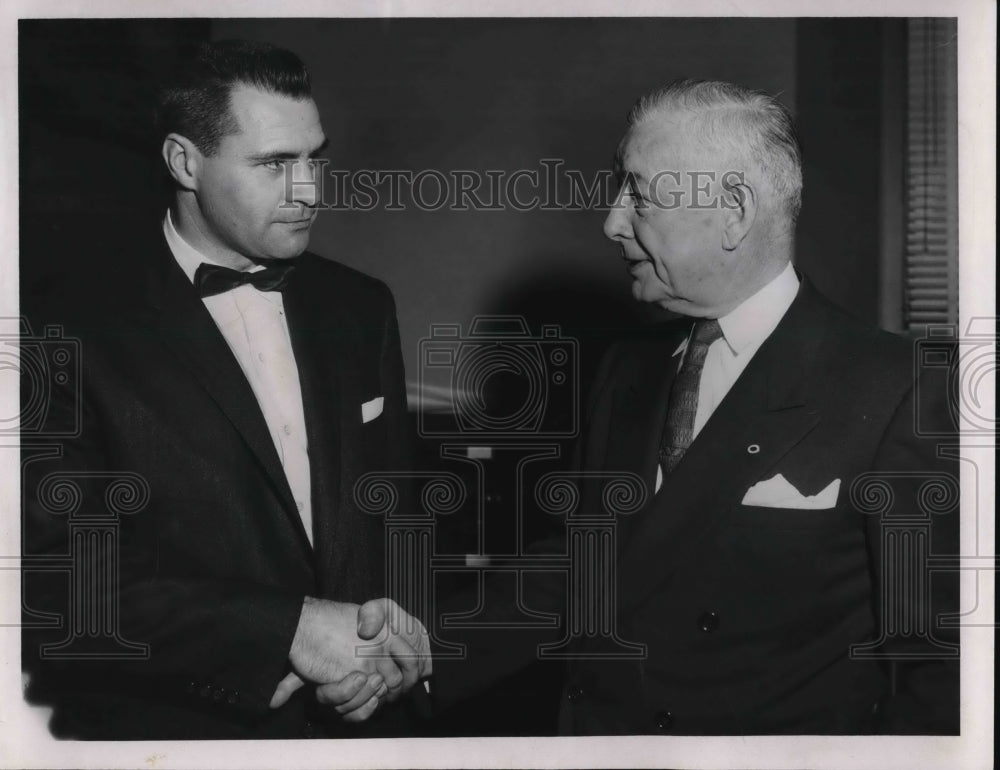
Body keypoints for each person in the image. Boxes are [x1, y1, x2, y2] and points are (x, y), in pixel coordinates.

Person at [353, 79, 960, 734]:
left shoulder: (898, 386)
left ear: (734, 210)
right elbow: (583, 566)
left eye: (638, 194)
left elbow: (941, 668)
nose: (612, 221)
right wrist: (417, 651)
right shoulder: (627, 369)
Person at [21, 39, 430, 739]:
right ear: (185, 161)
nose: (309, 190)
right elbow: (58, 584)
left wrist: (394, 650)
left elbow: (397, 509)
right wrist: (286, 630)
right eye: (274, 163)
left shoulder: (361, 306)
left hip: (363, 732)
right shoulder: (60, 327)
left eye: (315, 157)